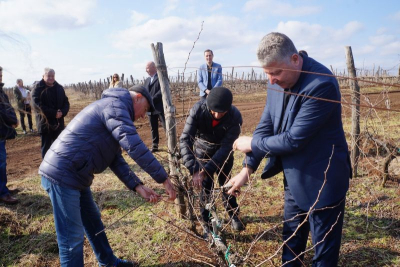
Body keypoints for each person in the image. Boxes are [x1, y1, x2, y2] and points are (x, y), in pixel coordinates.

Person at [228, 32, 351, 266]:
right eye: (267, 74)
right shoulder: (276, 80)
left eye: (275, 73)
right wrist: (248, 168)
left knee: (323, 257)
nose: (271, 80)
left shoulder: (321, 84)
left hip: (323, 182)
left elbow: (294, 139)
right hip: (294, 180)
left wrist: (251, 143)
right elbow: (267, 125)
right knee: (291, 247)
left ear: (295, 59)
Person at [39, 85, 176, 267]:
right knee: (71, 239)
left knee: (93, 222)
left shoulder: (114, 108)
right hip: (63, 175)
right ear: (138, 98)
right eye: (146, 109)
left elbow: (115, 158)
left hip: (76, 175)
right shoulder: (115, 106)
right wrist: (164, 178)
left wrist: (138, 186)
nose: (144, 116)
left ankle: (109, 262)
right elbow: (133, 145)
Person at [180, 86, 244, 238]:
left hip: (224, 155)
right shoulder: (198, 110)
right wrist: (194, 169)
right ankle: (207, 224)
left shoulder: (235, 117)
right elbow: (185, 140)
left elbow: (226, 148)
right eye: (213, 111)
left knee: (227, 185)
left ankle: (233, 214)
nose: (216, 115)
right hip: (203, 151)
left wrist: (206, 170)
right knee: (205, 190)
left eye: (221, 112)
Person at [32, 68, 70, 158]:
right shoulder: (38, 88)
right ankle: (46, 170)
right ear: (43, 76)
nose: (51, 78)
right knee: (46, 149)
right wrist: (54, 113)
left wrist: (62, 112)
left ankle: (57, 169)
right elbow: (37, 105)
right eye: (48, 76)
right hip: (45, 125)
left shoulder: (59, 88)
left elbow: (66, 102)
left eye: (52, 76)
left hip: (58, 124)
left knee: (59, 148)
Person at [0, 66, 19, 204]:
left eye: (1, 75)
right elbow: (2, 111)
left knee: (2, 162)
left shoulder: (1, 91)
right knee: (0, 163)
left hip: (2, 132)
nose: (1, 78)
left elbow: (8, 108)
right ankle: (2, 193)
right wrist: (13, 120)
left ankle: (3, 189)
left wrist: (14, 119)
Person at [144, 61, 166, 152]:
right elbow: (145, 92)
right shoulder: (147, 80)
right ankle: (155, 145)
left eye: (147, 68)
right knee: (153, 127)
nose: (146, 70)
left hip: (159, 106)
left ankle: (172, 144)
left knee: (165, 125)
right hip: (150, 108)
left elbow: (162, 91)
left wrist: (151, 99)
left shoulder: (160, 77)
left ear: (153, 67)